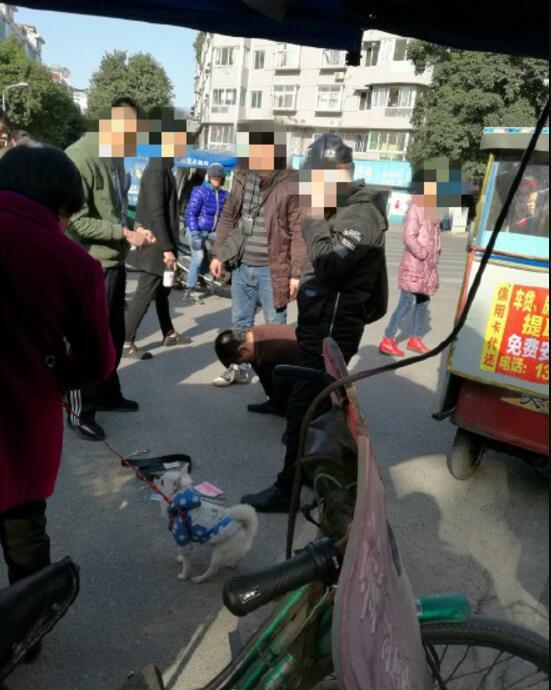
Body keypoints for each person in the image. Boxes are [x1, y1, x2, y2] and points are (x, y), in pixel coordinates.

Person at [242, 134, 389, 512]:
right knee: (315, 407)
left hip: (329, 333)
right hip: (321, 327)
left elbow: (329, 263)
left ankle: (287, 491)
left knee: (303, 410)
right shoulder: (342, 208)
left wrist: (311, 219)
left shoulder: (361, 215)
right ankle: (313, 471)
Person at [0, 143, 115, 590]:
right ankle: (28, 621)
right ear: (61, 207)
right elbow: (98, 361)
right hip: (21, 424)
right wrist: (57, 376)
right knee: (25, 537)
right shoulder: (75, 264)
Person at [65, 97, 156, 441]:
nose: (136, 144)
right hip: (89, 265)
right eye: (134, 136)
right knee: (87, 340)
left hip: (114, 262)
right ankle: (79, 411)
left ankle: (106, 393)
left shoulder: (116, 157)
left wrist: (134, 226)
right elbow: (76, 221)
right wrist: (124, 233)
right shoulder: (80, 156)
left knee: (113, 336)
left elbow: (115, 209)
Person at [210, 120, 306, 388]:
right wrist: (218, 254)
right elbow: (228, 216)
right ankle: (237, 369)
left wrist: (296, 273)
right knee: (240, 323)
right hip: (241, 264)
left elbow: (298, 230)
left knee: (275, 328)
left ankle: (278, 384)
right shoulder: (242, 175)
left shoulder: (291, 182)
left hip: (273, 269)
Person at [124, 117, 192, 359]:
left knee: (163, 291)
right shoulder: (156, 169)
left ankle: (168, 333)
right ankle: (126, 341)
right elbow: (156, 213)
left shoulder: (164, 166)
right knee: (144, 294)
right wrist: (166, 248)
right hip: (155, 245)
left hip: (160, 243)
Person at [379, 173, 442, 357]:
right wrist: (423, 254)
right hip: (415, 265)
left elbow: (434, 238)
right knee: (406, 303)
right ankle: (387, 339)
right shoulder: (416, 208)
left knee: (423, 303)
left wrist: (433, 258)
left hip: (427, 268)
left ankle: (415, 339)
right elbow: (409, 237)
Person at [215, 325, 301, 416]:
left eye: (241, 361)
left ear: (243, 349)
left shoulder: (272, 348)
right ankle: (276, 404)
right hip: (292, 364)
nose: (244, 363)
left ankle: (290, 409)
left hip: (305, 369)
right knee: (259, 365)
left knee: (279, 376)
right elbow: (264, 378)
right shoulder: (252, 341)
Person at [184, 162, 229, 301]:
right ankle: (190, 289)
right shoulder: (200, 191)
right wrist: (195, 233)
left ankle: (214, 276)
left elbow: (226, 216)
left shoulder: (224, 195)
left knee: (229, 247)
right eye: (214, 178)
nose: (216, 181)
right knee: (198, 256)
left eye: (219, 179)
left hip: (212, 232)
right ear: (209, 178)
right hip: (196, 230)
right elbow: (190, 213)